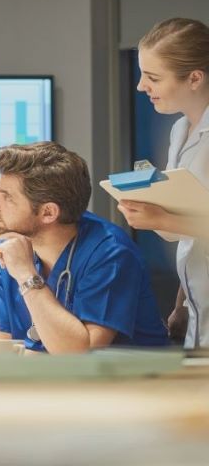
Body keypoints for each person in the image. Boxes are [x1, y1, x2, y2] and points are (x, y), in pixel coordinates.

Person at [0, 142, 168, 353]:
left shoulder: (110, 253)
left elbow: (80, 354)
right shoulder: (6, 250)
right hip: (46, 381)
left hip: (132, 382)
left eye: (7, 196)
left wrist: (27, 276)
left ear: (48, 213)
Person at [116, 18, 209, 349]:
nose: (141, 86)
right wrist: (181, 303)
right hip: (198, 307)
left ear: (194, 78)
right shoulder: (179, 130)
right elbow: (194, 222)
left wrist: (162, 219)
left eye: (153, 77)